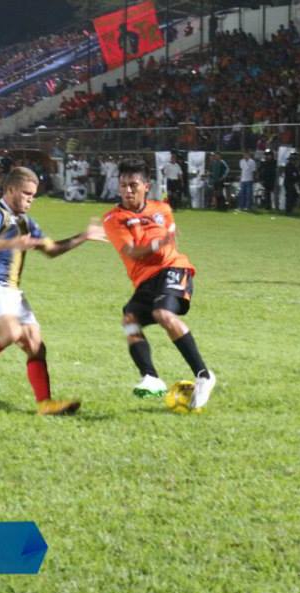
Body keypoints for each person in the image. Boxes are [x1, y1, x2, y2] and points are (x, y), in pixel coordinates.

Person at [0, 167, 107, 415]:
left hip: (13, 292)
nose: (31, 199)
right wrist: (12, 242)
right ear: (11, 190)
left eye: (33, 195)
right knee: (11, 331)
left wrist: (84, 236)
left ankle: (45, 404)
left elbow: (51, 250)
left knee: (35, 345)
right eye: (26, 194)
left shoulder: (27, 222)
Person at [101, 158, 216, 409]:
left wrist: (162, 245)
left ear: (146, 186)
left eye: (133, 185)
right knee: (130, 320)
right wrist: (158, 243)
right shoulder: (113, 218)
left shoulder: (162, 209)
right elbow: (131, 251)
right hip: (145, 280)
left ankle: (204, 375)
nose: (127, 191)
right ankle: (151, 377)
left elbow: (167, 246)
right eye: (123, 185)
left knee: (162, 313)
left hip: (173, 268)